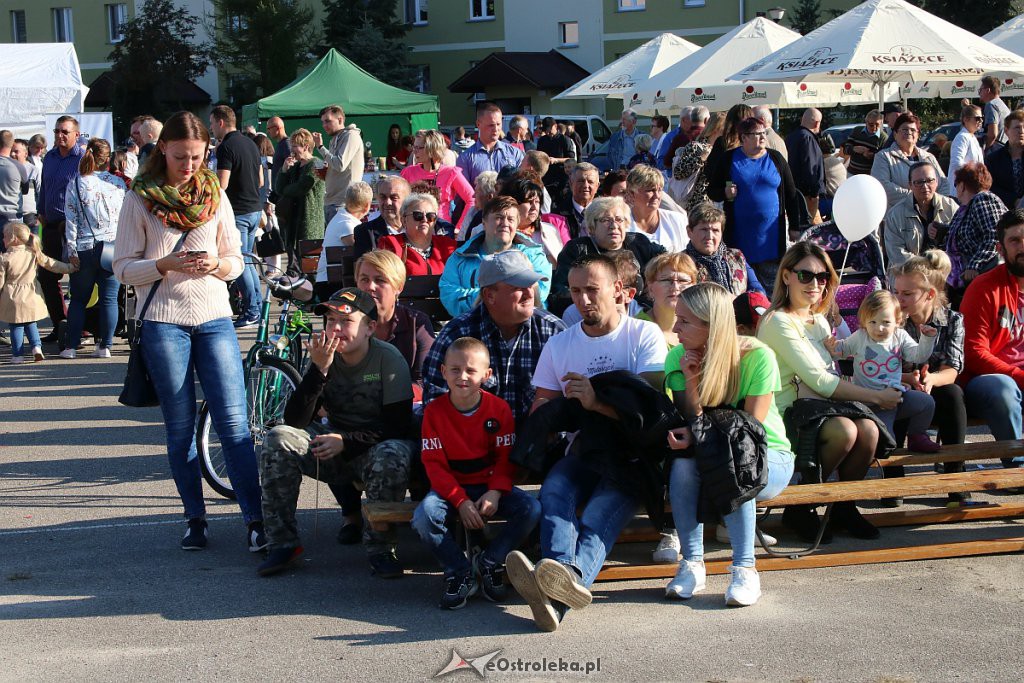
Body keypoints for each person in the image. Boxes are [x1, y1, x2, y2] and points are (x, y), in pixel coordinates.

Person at [113, 110, 265, 552]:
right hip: (163, 321)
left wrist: (216, 265)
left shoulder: (214, 193)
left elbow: (236, 260)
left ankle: (255, 521)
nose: (190, 166)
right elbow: (122, 268)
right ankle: (194, 519)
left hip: (214, 317)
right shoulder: (139, 197)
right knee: (180, 429)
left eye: (197, 157)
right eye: (181, 157)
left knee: (234, 424)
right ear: (163, 149)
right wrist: (164, 264)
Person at [505, 254, 668, 632]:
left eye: (592, 290)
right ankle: (560, 578)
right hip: (582, 452)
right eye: (576, 291)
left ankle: (555, 592)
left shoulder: (643, 335)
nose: (583, 300)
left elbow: (654, 413)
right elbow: (542, 407)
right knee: (556, 490)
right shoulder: (560, 345)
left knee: (595, 518)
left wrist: (595, 403)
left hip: (633, 457)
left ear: (619, 292)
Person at [256, 288, 416, 577]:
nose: (336, 329)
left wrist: (346, 441)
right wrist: (319, 370)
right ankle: (282, 543)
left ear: (369, 328)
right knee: (278, 438)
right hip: (334, 446)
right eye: (330, 321)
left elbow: (398, 426)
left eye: (345, 322)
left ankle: (381, 549)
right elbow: (296, 419)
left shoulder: (388, 359)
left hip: (372, 448)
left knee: (392, 452)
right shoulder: (324, 356)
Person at [757, 242, 899, 542]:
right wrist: (877, 396)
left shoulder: (819, 320)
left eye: (822, 278)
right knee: (846, 431)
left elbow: (831, 374)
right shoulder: (777, 322)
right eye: (805, 275)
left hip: (820, 409)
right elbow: (821, 381)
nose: (815, 284)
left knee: (870, 431)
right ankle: (801, 506)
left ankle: (844, 507)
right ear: (786, 277)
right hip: (786, 415)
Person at [664, 283, 795, 606]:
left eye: (685, 321)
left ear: (713, 326)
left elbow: (750, 430)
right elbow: (691, 419)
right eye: (676, 318)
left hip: (769, 456)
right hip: (710, 456)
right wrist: (692, 378)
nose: (674, 328)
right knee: (682, 466)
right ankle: (692, 564)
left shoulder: (757, 356)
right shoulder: (678, 357)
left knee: (733, 465)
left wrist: (696, 435)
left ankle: (745, 569)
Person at [413, 337, 542, 610]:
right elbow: (434, 464)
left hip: (488, 486)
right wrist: (459, 501)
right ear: (443, 371)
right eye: (455, 369)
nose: (463, 377)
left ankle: (491, 562)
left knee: (530, 508)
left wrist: (495, 492)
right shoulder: (434, 413)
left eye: (471, 370)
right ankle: (459, 571)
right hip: (451, 489)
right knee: (424, 517)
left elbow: (506, 459)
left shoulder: (499, 409)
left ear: (487, 375)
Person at [424, 249, 566, 423]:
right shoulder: (456, 335)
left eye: (530, 285)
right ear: (489, 295)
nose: (529, 294)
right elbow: (435, 401)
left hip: (539, 443)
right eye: (518, 288)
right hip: (471, 442)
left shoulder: (554, 332)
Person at [892, 250, 971, 502]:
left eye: (907, 294)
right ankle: (893, 481)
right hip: (900, 386)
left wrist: (931, 379)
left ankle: (954, 475)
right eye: (896, 292)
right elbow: (880, 365)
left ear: (929, 295)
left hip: (935, 390)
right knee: (898, 396)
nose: (899, 299)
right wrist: (908, 378)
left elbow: (952, 369)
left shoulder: (952, 320)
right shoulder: (890, 320)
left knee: (953, 394)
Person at [824, 291, 940, 453]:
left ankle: (917, 436)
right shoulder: (860, 337)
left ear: (897, 321)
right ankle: (869, 450)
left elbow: (918, 355)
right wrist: (832, 346)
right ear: (864, 322)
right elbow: (842, 350)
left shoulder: (899, 336)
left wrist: (926, 339)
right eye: (872, 322)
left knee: (926, 402)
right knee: (887, 443)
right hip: (865, 402)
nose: (879, 328)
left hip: (893, 400)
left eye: (886, 322)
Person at [707, 117, 802, 292]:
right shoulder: (729, 159)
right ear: (744, 138)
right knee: (744, 287)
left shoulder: (776, 158)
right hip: (739, 237)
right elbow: (712, 190)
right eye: (757, 134)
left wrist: (795, 226)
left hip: (771, 238)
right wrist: (725, 193)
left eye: (764, 133)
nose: (763, 138)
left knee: (773, 287)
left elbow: (791, 194)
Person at [960, 209, 1024, 467]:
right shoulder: (984, 288)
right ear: (1000, 248)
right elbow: (973, 353)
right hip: (985, 381)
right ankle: (1017, 470)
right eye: (1015, 241)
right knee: (1003, 388)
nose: (1023, 247)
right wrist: (1018, 376)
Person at [60, 138, 125, 359]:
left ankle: (70, 346)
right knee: (109, 298)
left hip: (85, 246)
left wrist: (71, 251)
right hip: (113, 246)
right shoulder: (118, 184)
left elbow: (71, 221)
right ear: (107, 159)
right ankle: (105, 345)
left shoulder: (76, 183)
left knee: (78, 299)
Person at [549, 196, 665, 317]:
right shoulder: (578, 249)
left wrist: (653, 279)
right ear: (592, 227)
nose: (614, 225)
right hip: (593, 315)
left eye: (619, 220)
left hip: (641, 312)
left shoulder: (637, 242)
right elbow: (560, 293)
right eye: (605, 220)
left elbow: (666, 259)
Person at [440, 195, 550, 318]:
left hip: (525, 323)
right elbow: (449, 294)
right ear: (484, 222)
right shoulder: (460, 257)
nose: (505, 223)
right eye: (499, 218)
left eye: (511, 219)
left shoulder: (533, 255)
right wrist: (497, 297)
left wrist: (494, 296)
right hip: (473, 325)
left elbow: (539, 292)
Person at [209, 105, 264, 328]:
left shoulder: (226, 147)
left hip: (239, 211)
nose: (211, 128)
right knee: (248, 260)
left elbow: (222, 184)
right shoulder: (251, 143)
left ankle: (252, 310)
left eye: (212, 123)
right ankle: (257, 307)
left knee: (240, 263)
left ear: (221, 122)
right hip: (254, 208)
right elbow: (260, 180)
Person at [355, 249, 435, 400]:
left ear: (399, 287)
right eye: (364, 279)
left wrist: (385, 395)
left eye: (380, 280)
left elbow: (425, 382)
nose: (370, 287)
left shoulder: (417, 324)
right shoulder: (345, 324)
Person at [0, 222, 75, 362]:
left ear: (14, 239)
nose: (3, 239)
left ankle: (18, 355)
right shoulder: (33, 253)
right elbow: (52, 264)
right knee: (30, 323)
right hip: (31, 295)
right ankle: (36, 348)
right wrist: (70, 268)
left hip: (12, 298)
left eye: (4, 237)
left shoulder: (4, 258)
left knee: (15, 326)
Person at [37, 115, 84, 340]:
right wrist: (41, 211)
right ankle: (60, 324)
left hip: (75, 227)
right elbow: (44, 187)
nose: (60, 135)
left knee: (78, 277)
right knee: (46, 275)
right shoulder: (50, 157)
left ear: (76, 134)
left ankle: (81, 325)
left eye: (65, 131)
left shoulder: (83, 158)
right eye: (57, 131)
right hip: (51, 225)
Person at [941, 162, 1007, 306]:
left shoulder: (983, 199)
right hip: (965, 282)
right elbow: (966, 234)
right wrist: (942, 231)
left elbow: (995, 235)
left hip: (983, 279)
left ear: (962, 185)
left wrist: (975, 265)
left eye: (955, 183)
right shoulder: (965, 208)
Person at [271, 128, 326, 278]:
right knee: (294, 264)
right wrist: (283, 170)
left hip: (309, 221)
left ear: (306, 146)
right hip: (292, 221)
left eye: (295, 146)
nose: (292, 150)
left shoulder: (317, 164)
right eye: (292, 146)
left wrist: (285, 190)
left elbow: (301, 188)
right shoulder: (295, 166)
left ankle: (312, 296)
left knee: (309, 266)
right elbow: (278, 188)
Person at [884, 161, 958, 267]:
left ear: (937, 182)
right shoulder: (895, 214)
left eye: (929, 181)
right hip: (908, 274)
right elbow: (897, 255)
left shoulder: (951, 207)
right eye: (919, 182)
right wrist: (925, 266)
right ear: (910, 185)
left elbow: (962, 242)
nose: (925, 186)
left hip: (944, 271)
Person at [683, 203, 764, 296]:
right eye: (704, 229)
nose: (709, 236)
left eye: (715, 230)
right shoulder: (680, 263)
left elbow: (757, 289)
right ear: (689, 232)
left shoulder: (736, 256)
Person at [401, 129, 474, 231]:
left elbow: (472, 199)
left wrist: (460, 227)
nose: (414, 151)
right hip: (415, 229)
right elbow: (399, 201)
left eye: (420, 148)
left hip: (442, 230)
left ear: (432, 149)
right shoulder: (408, 172)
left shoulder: (451, 173)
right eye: (414, 147)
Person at [871, 112, 946, 209]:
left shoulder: (929, 157)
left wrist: (936, 203)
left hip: (932, 214)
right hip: (897, 218)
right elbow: (882, 186)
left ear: (918, 135)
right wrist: (917, 197)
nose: (909, 132)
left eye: (913, 130)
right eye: (904, 129)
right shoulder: (883, 157)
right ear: (895, 134)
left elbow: (944, 183)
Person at [378, 192, 457, 276]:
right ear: (404, 220)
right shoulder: (391, 244)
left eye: (430, 216)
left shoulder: (448, 245)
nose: (424, 220)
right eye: (418, 215)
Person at [314, 104, 364, 224]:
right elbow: (337, 166)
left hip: (343, 204)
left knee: (340, 243)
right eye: (322, 122)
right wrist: (326, 173)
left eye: (327, 121)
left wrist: (320, 147)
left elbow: (340, 164)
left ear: (340, 119)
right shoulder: (336, 138)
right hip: (333, 202)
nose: (324, 126)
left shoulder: (351, 136)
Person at [625, 164, 688, 252]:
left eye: (659, 190)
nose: (657, 196)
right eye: (650, 190)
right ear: (632, 193)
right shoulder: (621, 224)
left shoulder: (677, 220)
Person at [639, 252, 696, 349]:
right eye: (666, 280)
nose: (675, 287)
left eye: (682, 280)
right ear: (650, 288)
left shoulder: (701, 329)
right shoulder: (637, 330)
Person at [457, 103, 523, 186]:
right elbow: (463, 195)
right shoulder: (466, 158)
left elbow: (522, 187)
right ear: (478, 124)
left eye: (498, 124)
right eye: (491, 125)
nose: (496, 129)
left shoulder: (514, 153)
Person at [502, 176, 564, 265]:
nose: (534, 207)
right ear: (514, 204)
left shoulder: (550, 231)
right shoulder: (499, 231)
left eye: (537, 202)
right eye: (529, 202)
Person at [672, 111, 725, 212]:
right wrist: (700, 159)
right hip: (696, 204)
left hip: (716, 203)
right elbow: (679, 172)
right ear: (716, 129)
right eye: (725, 129)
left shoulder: (722, 150)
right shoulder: (696, 147)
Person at [354, 176, 411, 258]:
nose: (388, 202)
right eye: (383, 197)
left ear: (407, 200)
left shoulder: (416, 228)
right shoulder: (366, 232)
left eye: (393, 197)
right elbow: (362, 268)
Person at [785, 108, 826, 220]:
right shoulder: (808, 138)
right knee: (813, 229)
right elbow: (810, 167)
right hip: (807, 195)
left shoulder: (790, 137)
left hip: (794, 191)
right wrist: (813, 193)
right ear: (817, 123)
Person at [985, 109, 1024, 209]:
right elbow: (989, 186)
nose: (1022, 131)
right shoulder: (993, 159)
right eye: (1017, 128)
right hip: (1004, 212)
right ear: (1006, 131)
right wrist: (1014, 200)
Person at [947, 105, 985, 197]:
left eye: (982, 118)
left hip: (971, 189)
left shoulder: (972, 137)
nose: (981, 121)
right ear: (966, 119)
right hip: (961, 192)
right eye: (977, 118)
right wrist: (975, 173)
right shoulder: (962, 137)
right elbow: (956, 163)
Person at [554, 162, 599, 240]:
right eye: (581, 181)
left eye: (590, 182)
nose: (585, 185)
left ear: (597, 186)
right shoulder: (557, 212)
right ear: (571, 184)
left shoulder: (604, 213)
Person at [665, 107, 710, 175]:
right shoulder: (710, 137)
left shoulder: (679, 138)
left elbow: (667, 162)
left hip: (683, 181)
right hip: (704, 180)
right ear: (706, 120)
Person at [844, 110, 888, 176]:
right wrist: (854, 149)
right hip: (852, 173)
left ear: (881, 123)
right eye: (871, 125)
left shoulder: (883, 138)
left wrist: (871, 156)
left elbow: (883, 160)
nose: (874, 127)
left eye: (877, 125)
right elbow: (845, 150)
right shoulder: (856, 131)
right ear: (866, 122)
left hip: (870, 175)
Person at [980, 75, 1011, 152]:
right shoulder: (1002, 105)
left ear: (987, 90)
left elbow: (992, 134)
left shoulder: (991, 105)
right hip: (1005, 149)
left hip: (995, 151)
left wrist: (984, 151)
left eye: (980, 90)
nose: (979, 93)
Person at [265, 116, 290, 188]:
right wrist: (273, 166)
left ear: (277, 128)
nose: (267, 131)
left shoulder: (286, 144)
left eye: (269, 128)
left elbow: (291, 168)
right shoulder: (281, 144)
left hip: (283, 194)